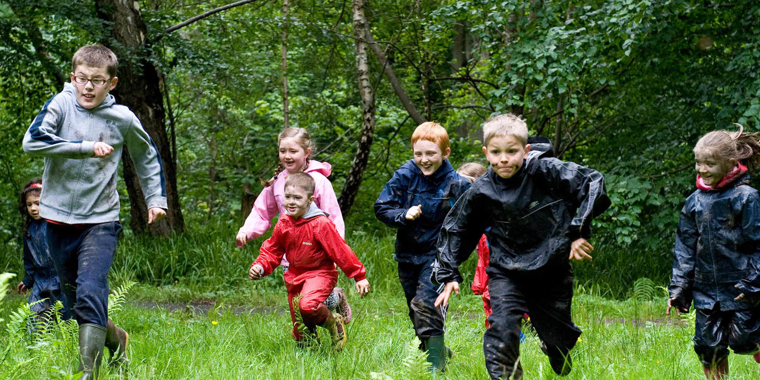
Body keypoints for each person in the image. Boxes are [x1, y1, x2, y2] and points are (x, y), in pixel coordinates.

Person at [22, 44, 165, 379]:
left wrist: (156, 199)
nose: (88, 87)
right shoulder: (60, 105)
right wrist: (84, 148)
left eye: (97, 81)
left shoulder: (122, 118)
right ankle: (117, 340)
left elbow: (146, 157)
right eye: (82, 79)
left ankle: (89, 373)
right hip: (56, 220)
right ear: (72, 78)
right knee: (75, 305)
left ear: (111, 83)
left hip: (100, 220)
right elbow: (32, 141)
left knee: (91, 288)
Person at [433, 114, 610, 379]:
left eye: (511, 152)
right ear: (486, 153)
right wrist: (448, 272)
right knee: (502, 329)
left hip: (552, 268)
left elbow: (591, 182)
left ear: (525, 151)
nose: (503, 159)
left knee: (558, 339)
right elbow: (457, 227)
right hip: (507, 270)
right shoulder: (482, 191)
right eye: (496, 152)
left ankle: (557, 350)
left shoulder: (547, 170)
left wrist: (578, 231)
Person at [374, 122, 471, 372]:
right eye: (419, 154)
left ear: (446, 153)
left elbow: (475, 219)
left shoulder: (457, 184)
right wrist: (402, 214)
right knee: (415, 310)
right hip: (407, 254)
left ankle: (435, 369)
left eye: (431, 154)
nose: (424, 160)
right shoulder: (404, 175)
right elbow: (382, 207)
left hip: (438, 256)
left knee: (427, 304)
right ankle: (438, 349)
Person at [668, 126, 760, 380]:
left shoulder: (746, 197)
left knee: (745, 340)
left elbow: (758, 244)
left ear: (730, 163)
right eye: (698, 163)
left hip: (743, 286)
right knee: (709, 348)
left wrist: (754, 283)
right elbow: (684, 248)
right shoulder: (694, 202)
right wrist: (679, 288)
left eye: (709, 163)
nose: (702, 169)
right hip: (706, 288)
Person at [236, 127, 353, 323]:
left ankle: (337, 297)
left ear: (306, 152)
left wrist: (336, 252)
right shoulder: (278, 182)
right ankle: (307, 343)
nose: (287, 156)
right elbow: (262, 210)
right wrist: (247, 231)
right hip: (290, 255)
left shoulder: (320, 182)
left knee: (324, 299)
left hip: (319, 256)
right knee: (298, 302)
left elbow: (334, 218)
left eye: (293, 151)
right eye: (283, 151)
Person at [249, 172, 370, 350]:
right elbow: (273, 249)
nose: (291, 202)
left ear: (310, 199)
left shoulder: (320, 223)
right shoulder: (284, 222)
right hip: (294, 275)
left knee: (307, 306)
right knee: (300, 326)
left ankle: (333, 323)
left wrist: (359, 275)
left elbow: (340, 251)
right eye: (288, 197)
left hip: (320, 273)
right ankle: (311, 349)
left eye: (297, 198)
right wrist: (260, 266)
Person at [16, 179, 71, 324]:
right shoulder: (29, 229)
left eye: (38, 203)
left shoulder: (56, 225)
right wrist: (28, 280)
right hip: (41, 281)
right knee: (34, 320)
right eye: (29, 205)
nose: (33, 208)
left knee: (68, 321)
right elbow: (29, 258)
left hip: (61, 279)